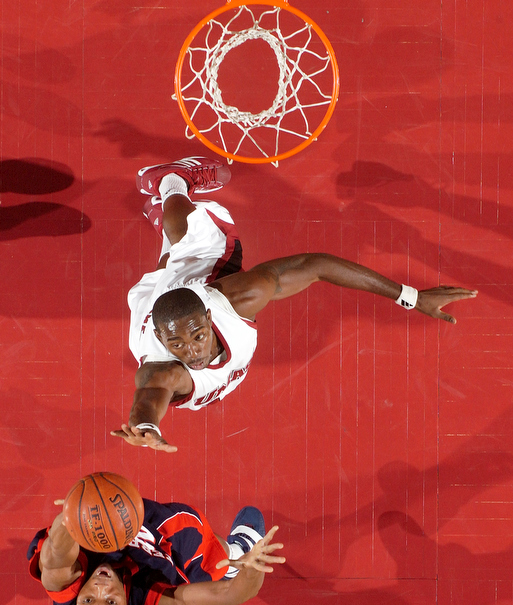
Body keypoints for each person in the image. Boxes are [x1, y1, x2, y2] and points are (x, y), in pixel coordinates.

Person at [111, 157, 478, 453]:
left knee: (195, 241)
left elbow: (315, 266)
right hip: (153, 306)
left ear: (209, 317)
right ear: (161, 339)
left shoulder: (237, 298)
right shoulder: (161, 365)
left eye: (197, 337)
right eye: (177, 345)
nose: (193, 353)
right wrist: (146, 427)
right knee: (167, 270)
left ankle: (169, 181)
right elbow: (148, 395)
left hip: (194, 276)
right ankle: (164, 213)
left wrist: (411, 297)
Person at [28, 495, 284, 605]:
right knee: (204, 552)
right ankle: (236, 553)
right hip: (159, 556)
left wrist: (72, 514)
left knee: (93, 525)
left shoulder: (63, 584)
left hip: (100, 532)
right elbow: (232, 595)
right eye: (110, 602)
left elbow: (55, 556)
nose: (100, 587)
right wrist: (253, 568)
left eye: (87, 600)